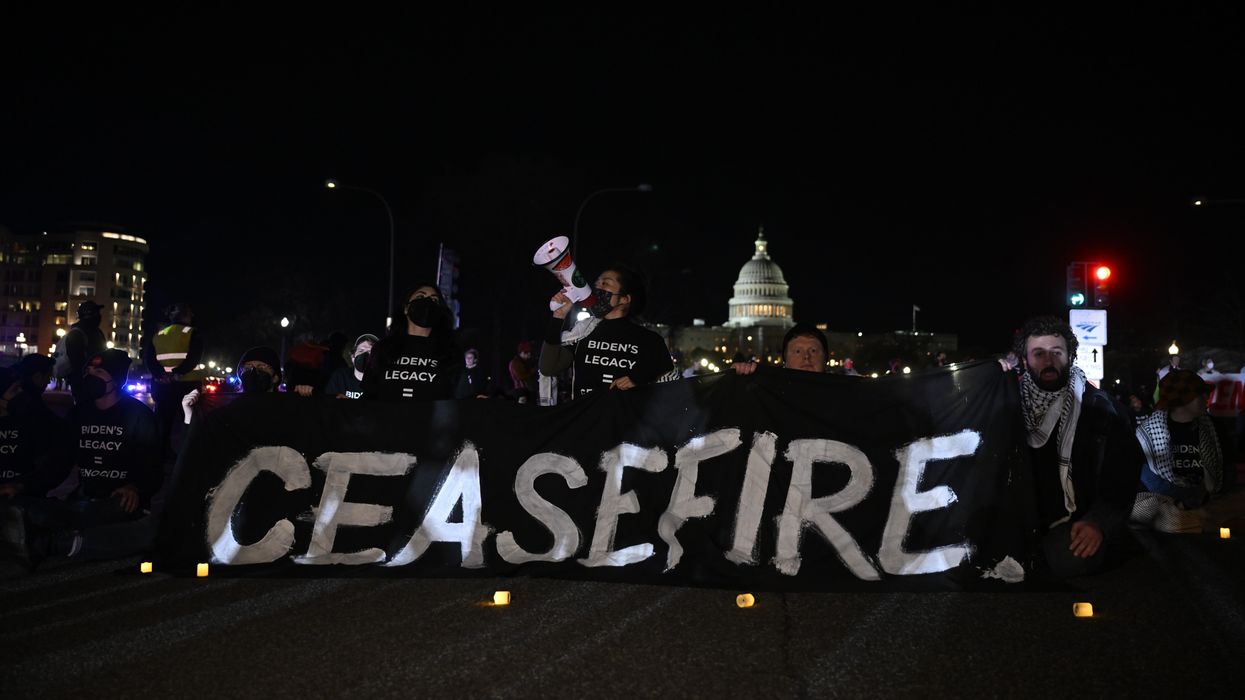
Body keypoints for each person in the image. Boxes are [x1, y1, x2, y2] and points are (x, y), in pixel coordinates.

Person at [1006, 315, 1143, 578]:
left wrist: (1098, 522)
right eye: (1039, 353)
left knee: (1069, 558)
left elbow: (1122, 476)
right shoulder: (1005, 406)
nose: (1049, 361)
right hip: (1017, 520)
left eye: (1057, 352)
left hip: (1074, 521)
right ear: (1025, 361)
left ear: (1070, 356)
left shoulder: (1102, 410)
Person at [0, 350, 161, 569]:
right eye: (88, 371)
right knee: (22, 504)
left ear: (115, 379)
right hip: (83, 500)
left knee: (137, 526)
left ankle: (58, 539)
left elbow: (152, 466)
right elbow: (60, 463)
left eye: (99, 371)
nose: (90, 375)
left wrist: (135, 487)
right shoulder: (79, 414)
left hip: (121, 504)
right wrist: (22, 485)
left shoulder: (139, 416)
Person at [539, 264, 675, 399]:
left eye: (605, 284)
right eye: (597, 283)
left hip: (626, 419)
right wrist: (558, 316)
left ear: (624, 299)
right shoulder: (582, 333)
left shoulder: (650, 341)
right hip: (585, 419)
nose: (597, 287)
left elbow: (671, 388)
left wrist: (639, 385)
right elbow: (548, 368)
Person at [1130, 369, 1224, 533]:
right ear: (1182, 399)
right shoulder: (1147, 434)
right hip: (1165, 504)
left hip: (1209, 502)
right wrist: (1185, 499)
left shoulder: (1214, 428)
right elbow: (1144, 478)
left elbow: (1226, 469)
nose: (1206, 398)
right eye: (1200, 394)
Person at [362, 285, 463, 402]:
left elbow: (458, 399)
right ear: (406, 308)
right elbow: (369, 396)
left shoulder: (451, 352)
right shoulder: (383, 348)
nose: (427, 302)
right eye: (420, 296)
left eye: (434, 300)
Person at [143, 302, 206, 459]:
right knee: (190, 422)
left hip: (163, 386)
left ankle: (161, 453)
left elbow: (149, 358)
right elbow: (194, 356)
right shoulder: (192, 333)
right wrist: (179, 372)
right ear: (186, 316)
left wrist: (160, 375)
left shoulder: (160, 334)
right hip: (188, 385)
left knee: (163, 421)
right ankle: (190, 454)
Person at [0, 355, 69, 491]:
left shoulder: (32, 420)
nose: (20, 392)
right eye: (14, 389)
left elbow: (54, 464)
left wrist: (21, 485)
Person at [59, 300, 108, 404]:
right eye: (96, 313)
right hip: (83, 384)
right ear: (89, 314)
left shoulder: (97, 332)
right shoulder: (77, 334)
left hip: (97, 382)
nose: (99, 316)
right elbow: (77, 363)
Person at [733, 323, 828, 375]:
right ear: (785, 360)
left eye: (813, 351)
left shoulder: (841, 396)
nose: (806, 356)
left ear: (825, 358)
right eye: (798, 351)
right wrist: (736, 376)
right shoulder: (765, 392)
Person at [324, 334, 377, 400]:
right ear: (353, 357)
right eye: (361, 351)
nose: (365, 355)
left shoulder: (380, 382)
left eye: (370, 352)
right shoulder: (340, 376)